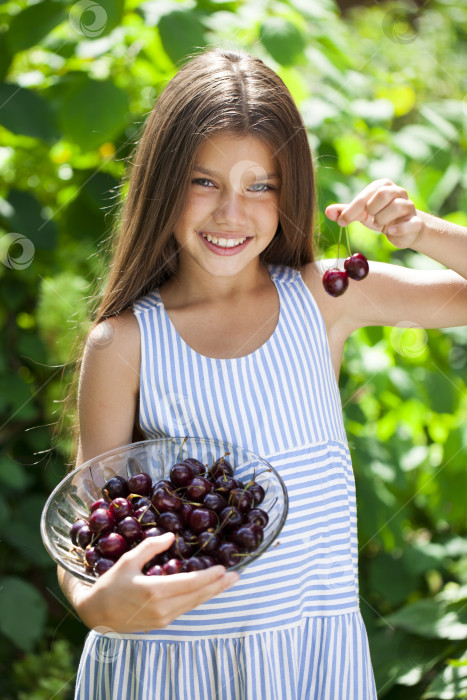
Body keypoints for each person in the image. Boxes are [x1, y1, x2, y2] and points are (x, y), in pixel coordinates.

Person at [57, 46, 467, 699]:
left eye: (259, 186)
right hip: (172, 670)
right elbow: (88, 527)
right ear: (163, 184)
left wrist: (417, 230)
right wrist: (94, 604)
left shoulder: (324, 295)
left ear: (288, 192)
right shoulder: (126, 343)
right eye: (203, 182)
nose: (231, 212)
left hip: (310, 661)